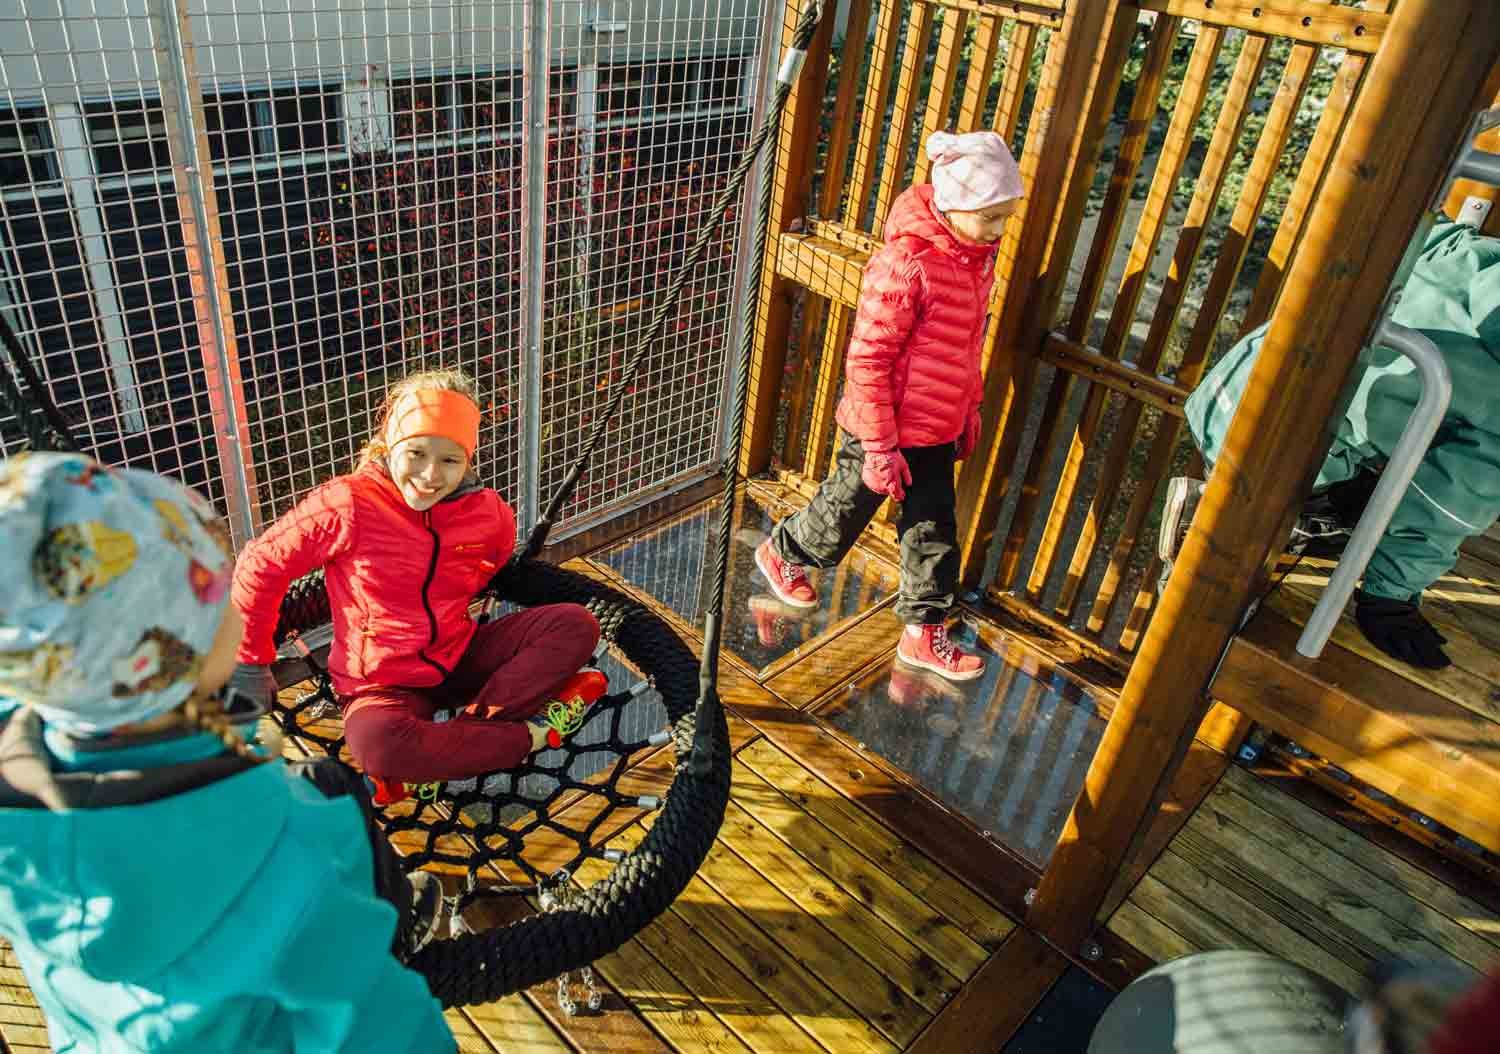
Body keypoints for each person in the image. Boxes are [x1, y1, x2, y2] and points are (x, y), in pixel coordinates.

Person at [0, 451, 454, 1053]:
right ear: (174, 656)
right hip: (270, 1022)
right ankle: (397, 928)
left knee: (320, 777)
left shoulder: (18, 776)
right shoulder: (290, 853)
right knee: (329, 784)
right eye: (218, 608)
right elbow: (380, 1025)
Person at [230, 369, 607, 804]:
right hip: (381, 685)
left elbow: (496, 556)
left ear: (468, 461)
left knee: (575, 624)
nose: (430, 475)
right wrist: (252, 661)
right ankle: (530, 736)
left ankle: (451, 748)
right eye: (416, 453)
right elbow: (260, 565)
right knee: (380, 747)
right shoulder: (348, 503)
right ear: (390, 443)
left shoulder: (486, 513)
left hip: (458, 655)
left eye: (450, 460)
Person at [1161, 218, 1500, 669]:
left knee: (1343, 438)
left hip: (1244, 384)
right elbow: (1448, 504)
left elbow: (1416, 227)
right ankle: (1238, 539)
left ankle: (1222, 512)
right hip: (1303, 456)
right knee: (1362, 507)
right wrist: (1390, 597)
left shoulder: (1474, 254)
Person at [754, 130, 1024, 682]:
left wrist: (966, 411)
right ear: (954, 206)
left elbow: (966, 350)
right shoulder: (907, 264)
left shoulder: (975, 262)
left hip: (934, 428)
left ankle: (924, 631)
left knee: (933, 529)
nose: (998, 232)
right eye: (990, 217)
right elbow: (869, 359)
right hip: (881, 429)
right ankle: (784, 550)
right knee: (842, 516)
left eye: (1004, 218)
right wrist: (878, 446)